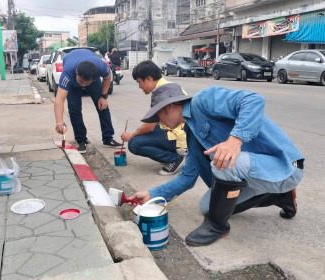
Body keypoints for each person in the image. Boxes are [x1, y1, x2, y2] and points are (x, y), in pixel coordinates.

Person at [129, 85, 304, 246]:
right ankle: (281, 197)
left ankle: (217, 227)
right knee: (207, 207)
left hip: (285, 167)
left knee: (226, 161)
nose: (160, 123)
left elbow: (253, 99)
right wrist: (152, 195)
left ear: (170, 107)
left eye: (158, 116)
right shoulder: (191, 134)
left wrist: (234, 140)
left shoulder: (203, 100)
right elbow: (187, 177)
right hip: (257, 174)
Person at [121, 60, 187, 175]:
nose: (139, 86)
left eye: (139, 82)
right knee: (141, 132)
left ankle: (173, 158)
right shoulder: (168, 85)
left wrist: (131, 136)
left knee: (134, 143)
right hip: (181, 131)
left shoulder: (161, 92)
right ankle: (169, 153)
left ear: (149, 78)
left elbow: (149, 127)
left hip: (180, 138)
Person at [54, 49, 121, 153]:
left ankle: (108, 138)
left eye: (87, 83)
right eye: (81, 81)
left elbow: (108, 77)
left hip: (89, 72)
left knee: (102, 106)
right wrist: (59, 122)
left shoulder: (101, 67)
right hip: (73, 81)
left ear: (95, 77)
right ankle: (81, 141)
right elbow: (59, 99)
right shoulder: (68, 74)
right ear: (76, 72)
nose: (83, 85)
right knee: (74, 109)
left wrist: (103, 96)